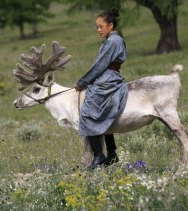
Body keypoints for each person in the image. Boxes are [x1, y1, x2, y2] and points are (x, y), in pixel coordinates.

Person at [74, 8, 128, 169]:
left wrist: (82, 82)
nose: (98, 30)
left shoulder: (113, 41)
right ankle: (112, 153)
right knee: (102, 113)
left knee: (86, 113)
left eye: (101, 26)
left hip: (108, 78)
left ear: (110, 25)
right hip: (108, 76)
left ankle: (99, 154)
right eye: (96, 27)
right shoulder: (113, 40)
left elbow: (99, 66)